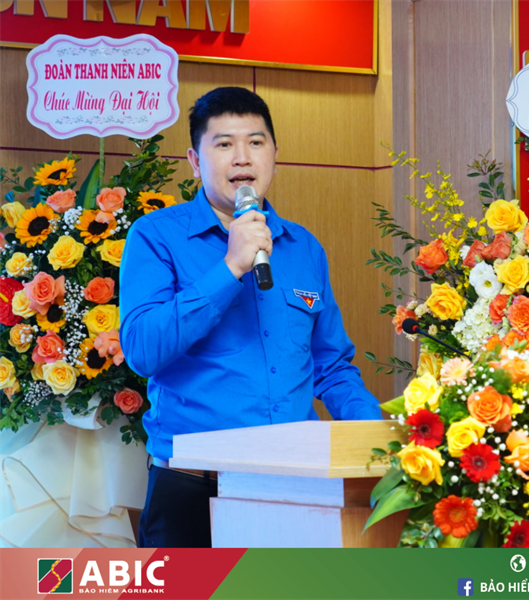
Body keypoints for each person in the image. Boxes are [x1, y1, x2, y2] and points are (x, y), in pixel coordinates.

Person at [119, 87, 381, 548]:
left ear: (274, 154)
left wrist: (377, 439)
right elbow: (143, 349)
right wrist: (230, 267)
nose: (242, 157)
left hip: (297, 485)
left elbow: (332, 366)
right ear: (195, 161)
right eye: (224, 143)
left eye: (256, 142)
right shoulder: (156, 236)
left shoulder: (303, 247)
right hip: (192, 489)